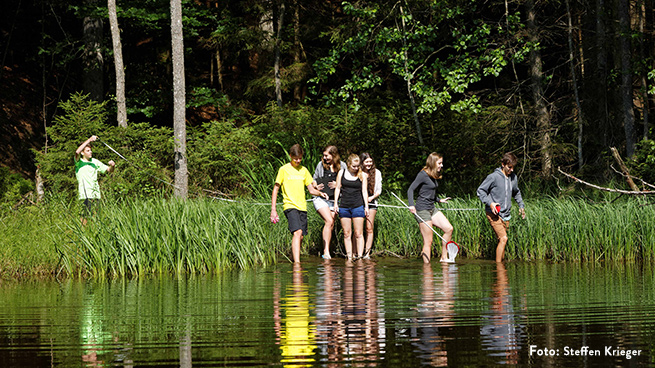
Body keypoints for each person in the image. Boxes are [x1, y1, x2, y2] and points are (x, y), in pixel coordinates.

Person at [270, 144, 328, 263]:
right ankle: (297, 264)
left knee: (300, 236)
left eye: (300, 158)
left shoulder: (304, 170)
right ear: (290, 156)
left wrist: (320, 194)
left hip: (302, 207)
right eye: (295, 158)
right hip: (290, 205)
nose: (298, 161)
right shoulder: (284, 169)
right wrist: (273, 209)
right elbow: (276, 189)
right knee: (298, 232)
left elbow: (311, 189)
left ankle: (293, 257)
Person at [476, 152, 526, 263]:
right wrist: (490, 203)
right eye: (509, 167)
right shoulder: (493, 177)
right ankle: (499, 268)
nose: (512, 170)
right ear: (503, 164)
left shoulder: (513, 178)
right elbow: (480, 191)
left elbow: (516, 192)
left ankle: (501, 270)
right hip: (493, 213)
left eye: (513, 167)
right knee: (504, 238)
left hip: (506, 215)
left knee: (502, 241)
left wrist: (521, 206)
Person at [407, 152, 453, 263]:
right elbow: (410, 189)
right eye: (439, 163)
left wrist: (439, 200)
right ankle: (427, 269)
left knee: (449, 229)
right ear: (433, 162)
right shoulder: (423, 174)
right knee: (428, 241)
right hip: (422, 209)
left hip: (432, 208)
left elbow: (428, 192)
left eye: (442, 163)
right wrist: (411, 205)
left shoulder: (434, 175)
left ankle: (444, 258)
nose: (441, 165)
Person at [312, 146, 346, 259]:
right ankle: (326, 252)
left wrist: (339, 185)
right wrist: (316, 185)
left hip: (335, 200)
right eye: (324, 155)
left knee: (331, 224)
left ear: (334, 155)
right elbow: (313, 179)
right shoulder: (320, 165)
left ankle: (328, 249)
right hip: (321, 198)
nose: (324, 157)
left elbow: (349, 181)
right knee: (329, 220)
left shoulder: (342, 165)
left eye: (327, 155)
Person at [334, 154, 369, 260]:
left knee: (358, 233)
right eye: (354, 166)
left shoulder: (362, 175)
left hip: (357, 206)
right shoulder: (341, 173)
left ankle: (359, 256)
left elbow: (364, 191)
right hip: (344, 206)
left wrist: (366, 206)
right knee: (347, 233)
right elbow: (338, 188)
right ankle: (349, 256)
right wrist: (336, 203)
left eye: (357, 166)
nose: (356, 168)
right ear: (348, 164)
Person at [75, 135, 115, 225]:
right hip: (84, 194)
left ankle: (94, 235)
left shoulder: (95, 162)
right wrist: (89, 139)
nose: (90, 152)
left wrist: (112, 166)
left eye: (90, 150)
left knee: (95, 216)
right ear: (83, 153)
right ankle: (84, 236)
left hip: (95, 193)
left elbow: (108, 170)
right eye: (88, 150)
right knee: (84, 216)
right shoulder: (79, 162)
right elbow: (77, 152)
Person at [360, 152, 382, 259]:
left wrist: (371, 198)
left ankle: (367, 253)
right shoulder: (359, 172)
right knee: (358, 229)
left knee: (369, 228)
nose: (369, 164)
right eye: (366, 161)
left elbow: (379, 190)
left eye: (370, 161)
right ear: (362, 162)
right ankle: (358, 252)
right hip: (359, 203)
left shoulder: (377, 173)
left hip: (372, 202)